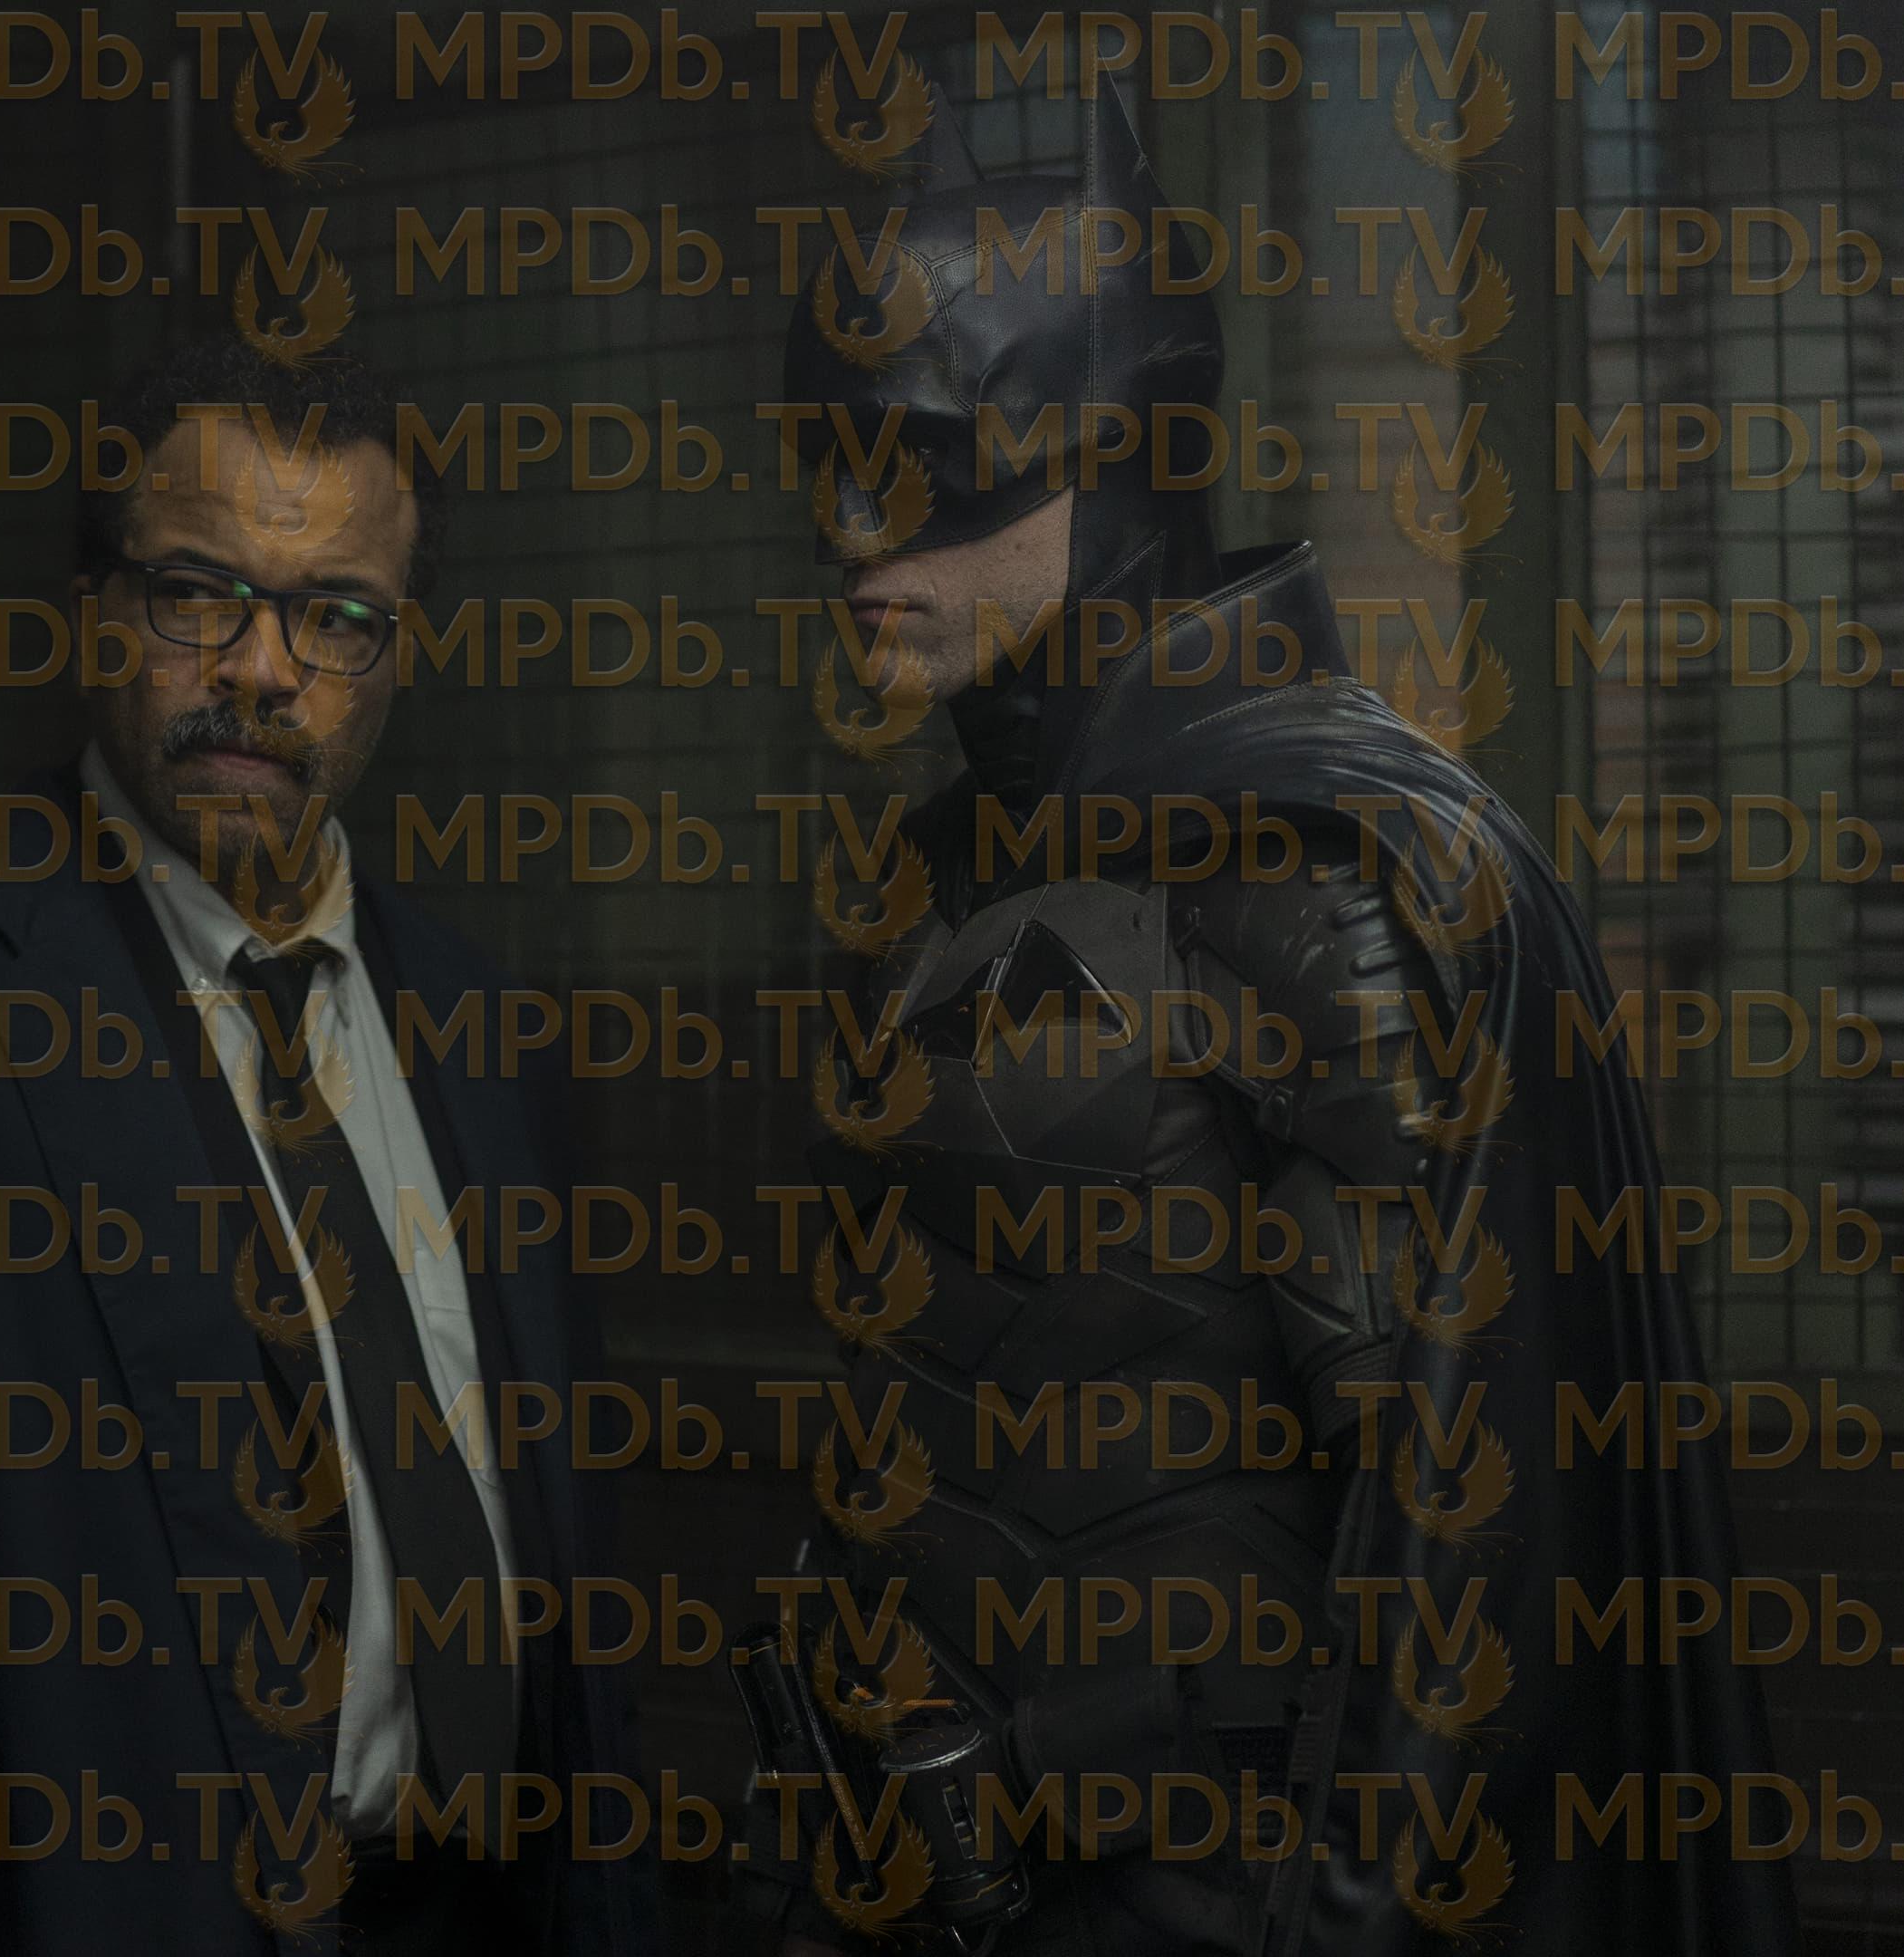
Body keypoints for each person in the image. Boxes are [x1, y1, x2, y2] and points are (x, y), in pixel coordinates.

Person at [736, 87, 1795, 1956]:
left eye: (921, 462)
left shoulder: (1318, 867)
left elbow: (1454, 1560)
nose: (849, 532)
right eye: (830, 458)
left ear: (1114, 451)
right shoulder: (935, 879)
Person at [0, 334, 659, 1955]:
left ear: (397, 656)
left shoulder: (484, 1032)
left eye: (336, 616)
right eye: (197, 595)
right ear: (94, 609)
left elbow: (570, 1578)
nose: (261, 668)